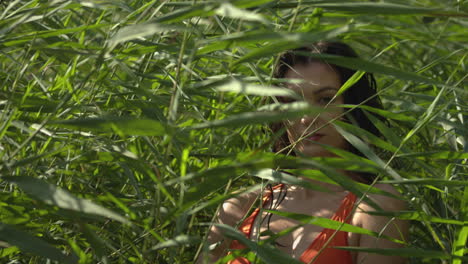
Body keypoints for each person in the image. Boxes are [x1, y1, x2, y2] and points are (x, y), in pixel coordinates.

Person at [196, 42, 408, 264]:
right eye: (293, 101)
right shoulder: (240, 208)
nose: (307, 118)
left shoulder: (373, 206)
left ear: (353, 107)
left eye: (325, 99)